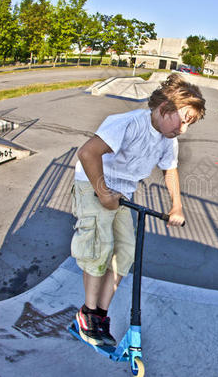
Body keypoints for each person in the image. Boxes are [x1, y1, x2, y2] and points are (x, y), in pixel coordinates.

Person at [71, 73, 206, 346]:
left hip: (123, 192)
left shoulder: (169, 139)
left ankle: (100, 315)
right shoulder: (128, 123)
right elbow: (87, 153)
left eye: (189, 124)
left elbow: (170, 170)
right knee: (100, 246)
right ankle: (86, 314)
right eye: (183, 120)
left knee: (126, 252)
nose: (183, 129)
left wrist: (176, 205)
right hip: (94, 181)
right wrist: (103, 192)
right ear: (163, 109)